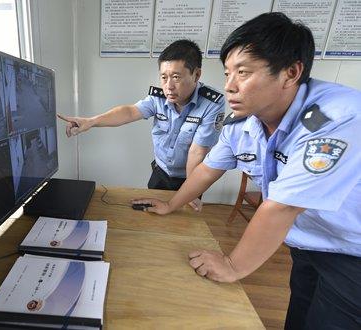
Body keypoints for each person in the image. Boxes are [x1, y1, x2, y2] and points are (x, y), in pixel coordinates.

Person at [133, 13, 361, 329]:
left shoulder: (336, 119)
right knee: (299, 316)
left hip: (353, 251)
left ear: (291, 72)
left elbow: (282, 207)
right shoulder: (246, 122)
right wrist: (172, 204)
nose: (229, 86)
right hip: (309, 243)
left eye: (243, 72)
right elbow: (207, 169)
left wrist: (231, 265)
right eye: (227, 73)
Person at [58, 40, 225, 210]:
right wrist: (91, 121)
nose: (169, 86)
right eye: (164, 77)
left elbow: (197, 152)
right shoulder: (158, 97)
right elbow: (130, 112)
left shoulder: (212, 103)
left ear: (196, 75)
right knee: (152, 216)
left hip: (190, 177)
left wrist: (190, 191)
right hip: (160, 172)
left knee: (184, 225)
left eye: (176, 77)